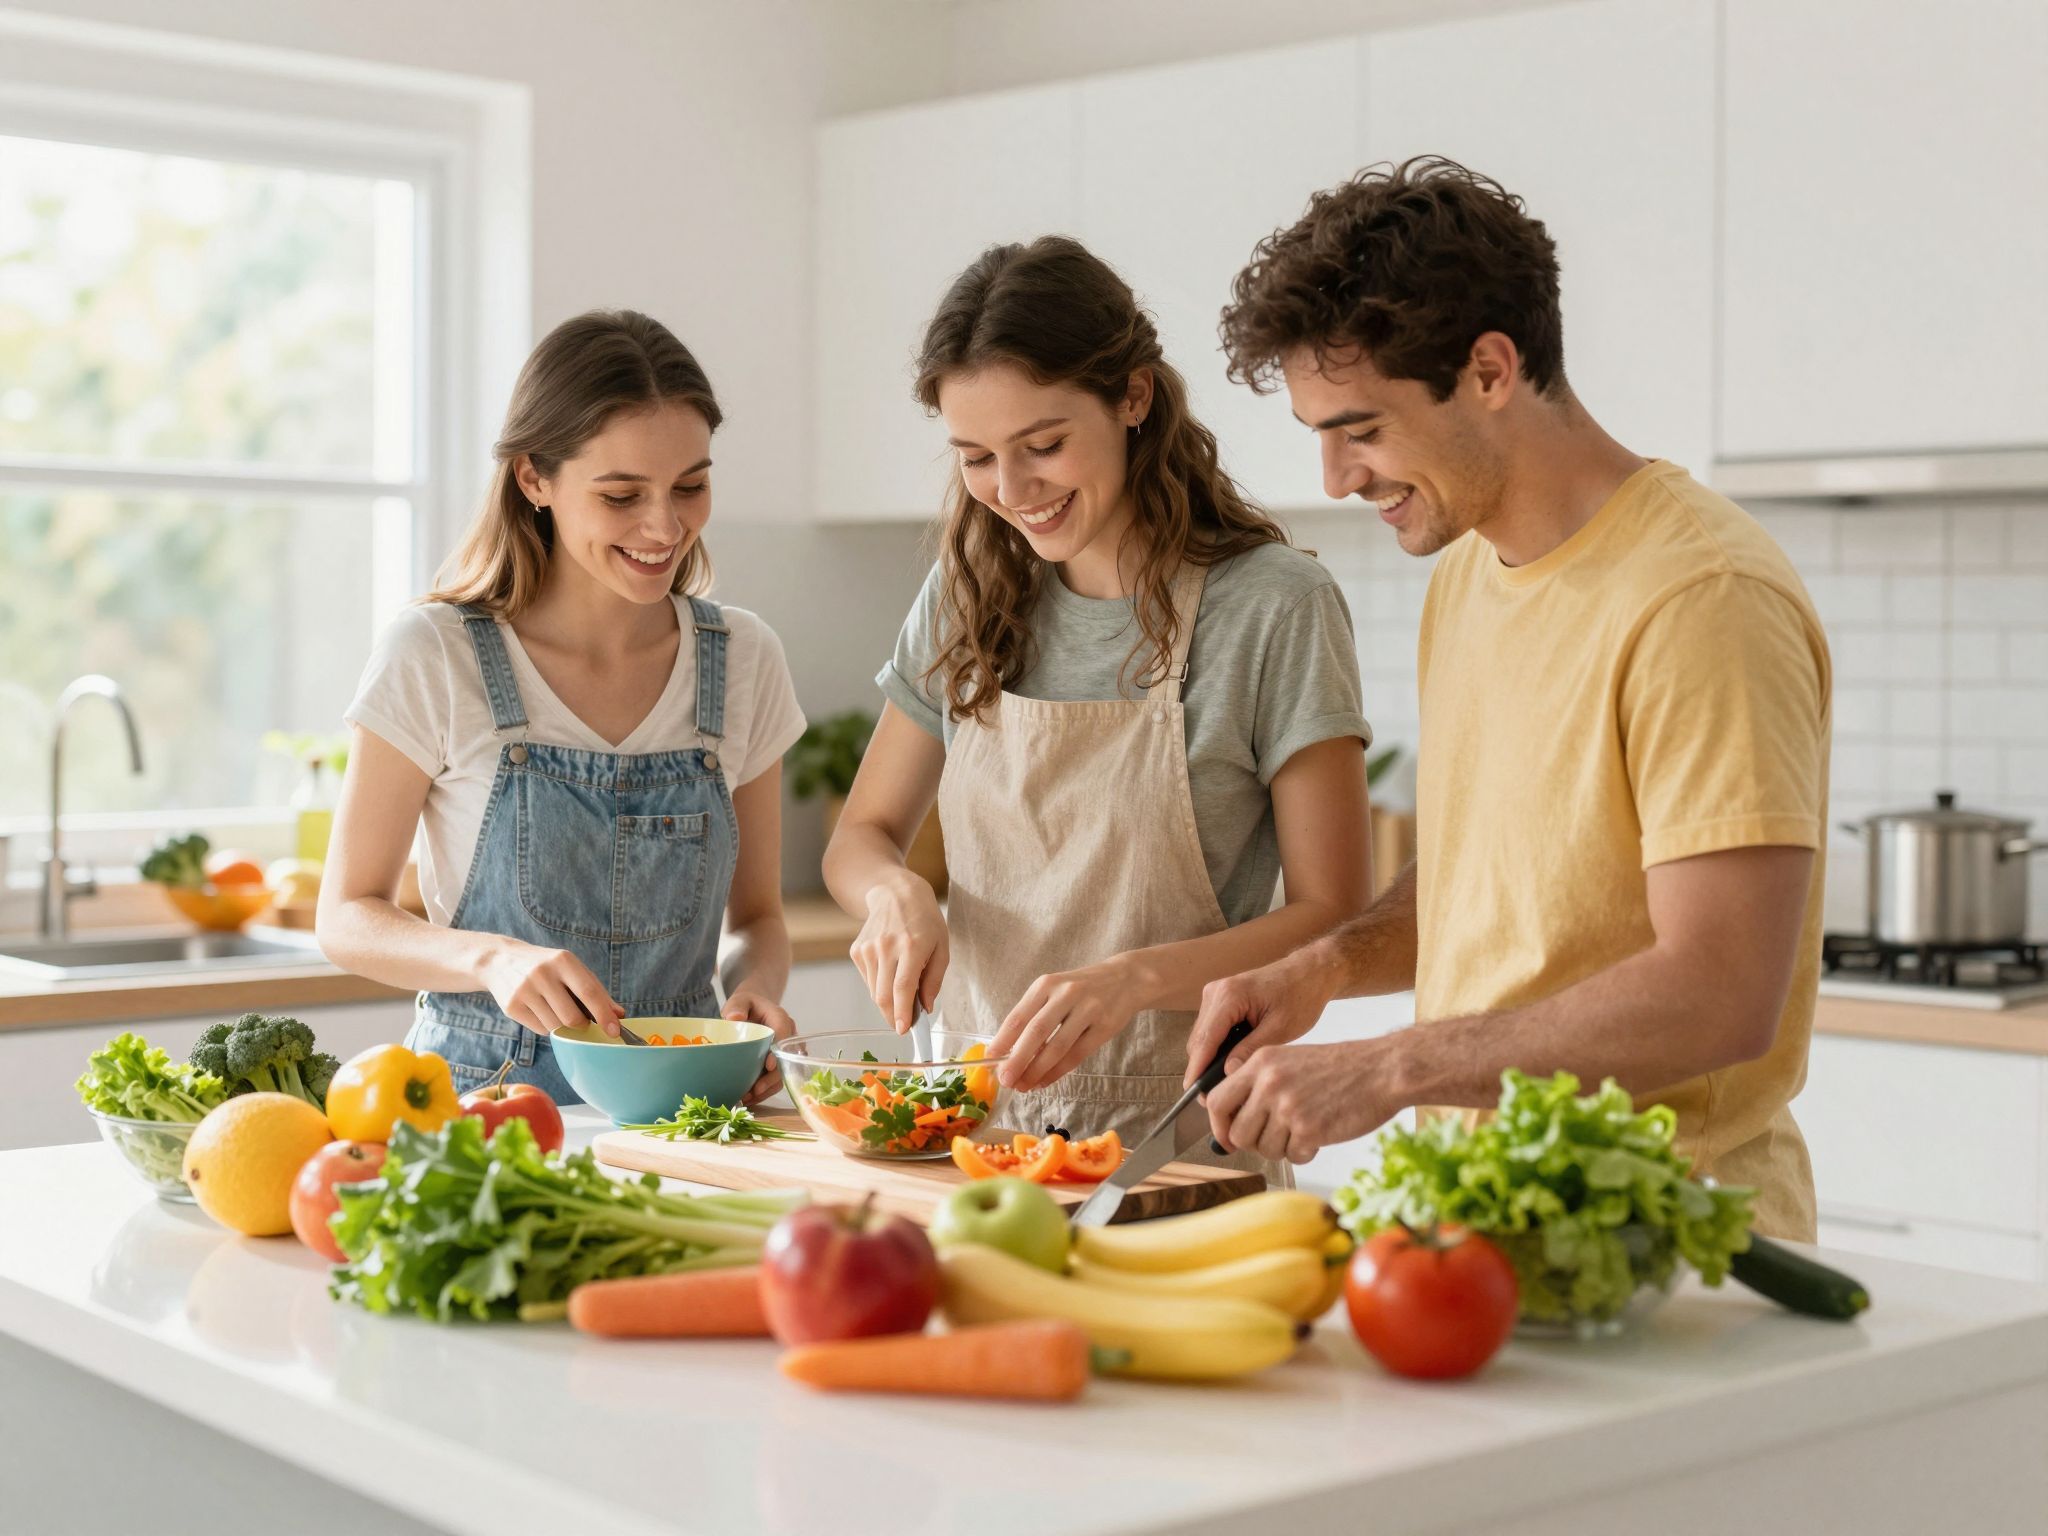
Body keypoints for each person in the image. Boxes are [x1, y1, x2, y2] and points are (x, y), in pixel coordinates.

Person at [1189, 158, 1830, 1239]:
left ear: (1488, 369)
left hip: (1661, 1245)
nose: (1338, 478)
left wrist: (1389, 1066)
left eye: (1361, 428)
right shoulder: (1466, 573)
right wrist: (1324, 968)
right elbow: (1496, 874)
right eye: (1320, 437)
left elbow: (1719, 991)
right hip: (1473, 1225)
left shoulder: (1698, 596)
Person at [823, 236, 1374, 1171]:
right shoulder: (965, 592)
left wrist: (1137, 980)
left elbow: (1334, 912)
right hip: (973, 1138)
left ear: (1133, 397)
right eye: (977, 458)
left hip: (1181, 1140)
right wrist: (894, 894)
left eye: (1043, 446)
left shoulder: (1274, 606)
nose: (1013, 491)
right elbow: (861, 836)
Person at [318, 310, 805, 1102]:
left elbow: (758, 917)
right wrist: (490, 959)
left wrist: (756, 998)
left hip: (685, 1105)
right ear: (533, 478)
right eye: (621, 495)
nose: (665, 527)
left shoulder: (745, 659)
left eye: (691, 485)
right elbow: (345, 915)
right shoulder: (435, 653)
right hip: (481, 1102)